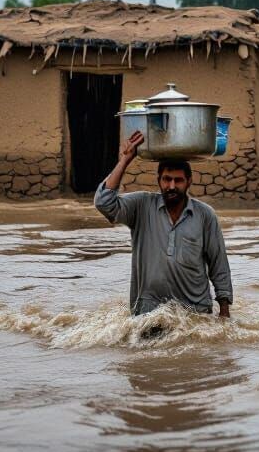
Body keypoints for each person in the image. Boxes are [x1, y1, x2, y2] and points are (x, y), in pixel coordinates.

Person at [95, 130, 233, 319]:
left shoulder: (205, 215)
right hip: (147, 312)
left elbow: (219, 264)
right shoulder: (141, 206)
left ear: (189, 181)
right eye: (167, 179)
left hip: (195, 313)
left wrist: (224, 311)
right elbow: (104, 203)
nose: (172, 186)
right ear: (158, 180)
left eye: (178, 180)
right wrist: (125, 161)